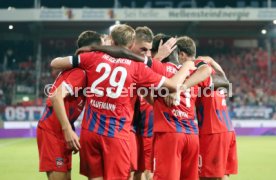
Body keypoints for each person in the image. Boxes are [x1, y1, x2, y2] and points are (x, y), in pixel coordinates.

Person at [50, 24, 195, 180]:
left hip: (90, 132)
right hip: (116, 134)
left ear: (111, 41)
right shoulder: (137, 68)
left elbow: (55, 63)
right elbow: (173, 85)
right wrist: (186, 66)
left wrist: (92, 50)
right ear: (131, 44)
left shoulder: (92, 57)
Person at [37, 30, 102, 180]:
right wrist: (67, 129)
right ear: (91, 51)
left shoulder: (82, 70)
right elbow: (55, 96)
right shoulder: (80, 72)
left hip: (61, 128)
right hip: (53, 130)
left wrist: (70, 129)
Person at [195, 56, 238, 180]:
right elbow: (222, 74)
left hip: (212, 131)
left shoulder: (200, 77)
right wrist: (213, 62)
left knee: (206, 175)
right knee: (222, 174)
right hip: (227, 130)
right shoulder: (221, 83)